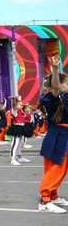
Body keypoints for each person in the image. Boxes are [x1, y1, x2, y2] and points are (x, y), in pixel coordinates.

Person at [38, 56, 68, 213]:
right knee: (56, 167)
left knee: (59, 169)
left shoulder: (64, 98)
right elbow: (55, 87)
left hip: (62, 135)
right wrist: (55, 70)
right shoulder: (52, 97)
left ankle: (53, 195)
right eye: (66, 83)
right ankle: (44, 200)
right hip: (58, 135)